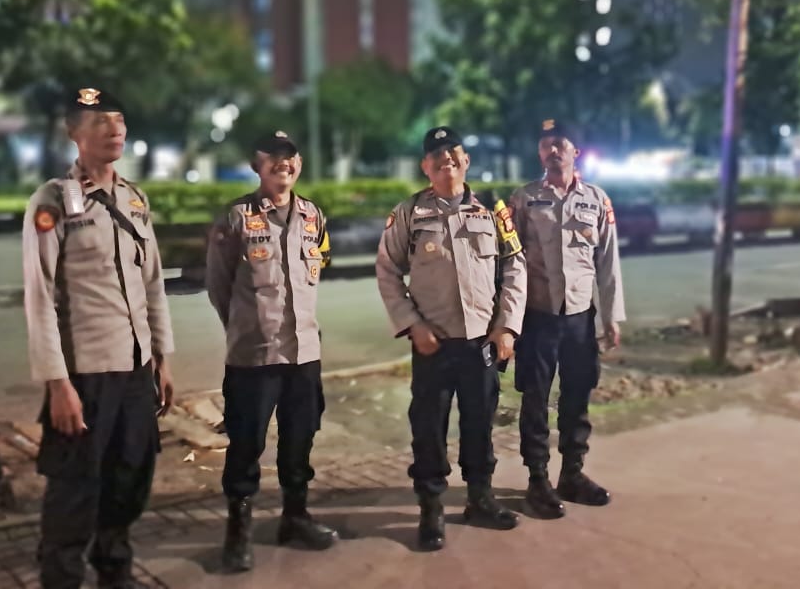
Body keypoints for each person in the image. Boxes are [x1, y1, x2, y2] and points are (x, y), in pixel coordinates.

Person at [22, 87, 175, 589]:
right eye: (100, 121)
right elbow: (40, 297)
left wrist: (162, 357)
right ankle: (61, 578)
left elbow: (152, 282)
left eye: (119, 120)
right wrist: (57, 384)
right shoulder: (51, 201)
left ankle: (116, 573)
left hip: (135, 369)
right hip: (85, 374)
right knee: (74, 491)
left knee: (130, 478)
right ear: (74, 132)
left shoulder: (134, 198)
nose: (114, 129)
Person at [375, 125, 527, 552]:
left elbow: (515, 267)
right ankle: (431, 508)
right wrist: (412, 324)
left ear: (466, 161)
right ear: (425, 166)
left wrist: (507, 327)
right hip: (433, 344)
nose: (447, 160)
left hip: (481, 342)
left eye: (454, 153)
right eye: (437, 156)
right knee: (428, 428)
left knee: (480, 424)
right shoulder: (410, 212)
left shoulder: (492, 210)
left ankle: (480, 499)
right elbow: (387, 270)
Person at [205, 130, 338, 573]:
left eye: (290, 156)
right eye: (274, 158)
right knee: (246, 446)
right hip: (254, 358)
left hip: (304, 354)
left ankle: (295, 517)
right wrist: (247, 326)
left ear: (299, 163)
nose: (284, 164)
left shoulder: (313, 215)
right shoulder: (237, 217)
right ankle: (238, 532)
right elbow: (219, 285)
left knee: (300, 440)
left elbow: (316, 270)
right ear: (257, 165)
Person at [507, 119, 624, 519]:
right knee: (535, 400)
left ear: (576, 151)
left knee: (577, 396)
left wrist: (611, 316)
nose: (551, 151)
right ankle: (537, 480)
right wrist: (508, 321)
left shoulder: (597, 200)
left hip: (579, 319)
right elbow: (510, 261)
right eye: (545, 145)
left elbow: (608, 261)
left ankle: (572, 473)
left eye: (559, 143)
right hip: (537, 317)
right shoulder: (524, 199)